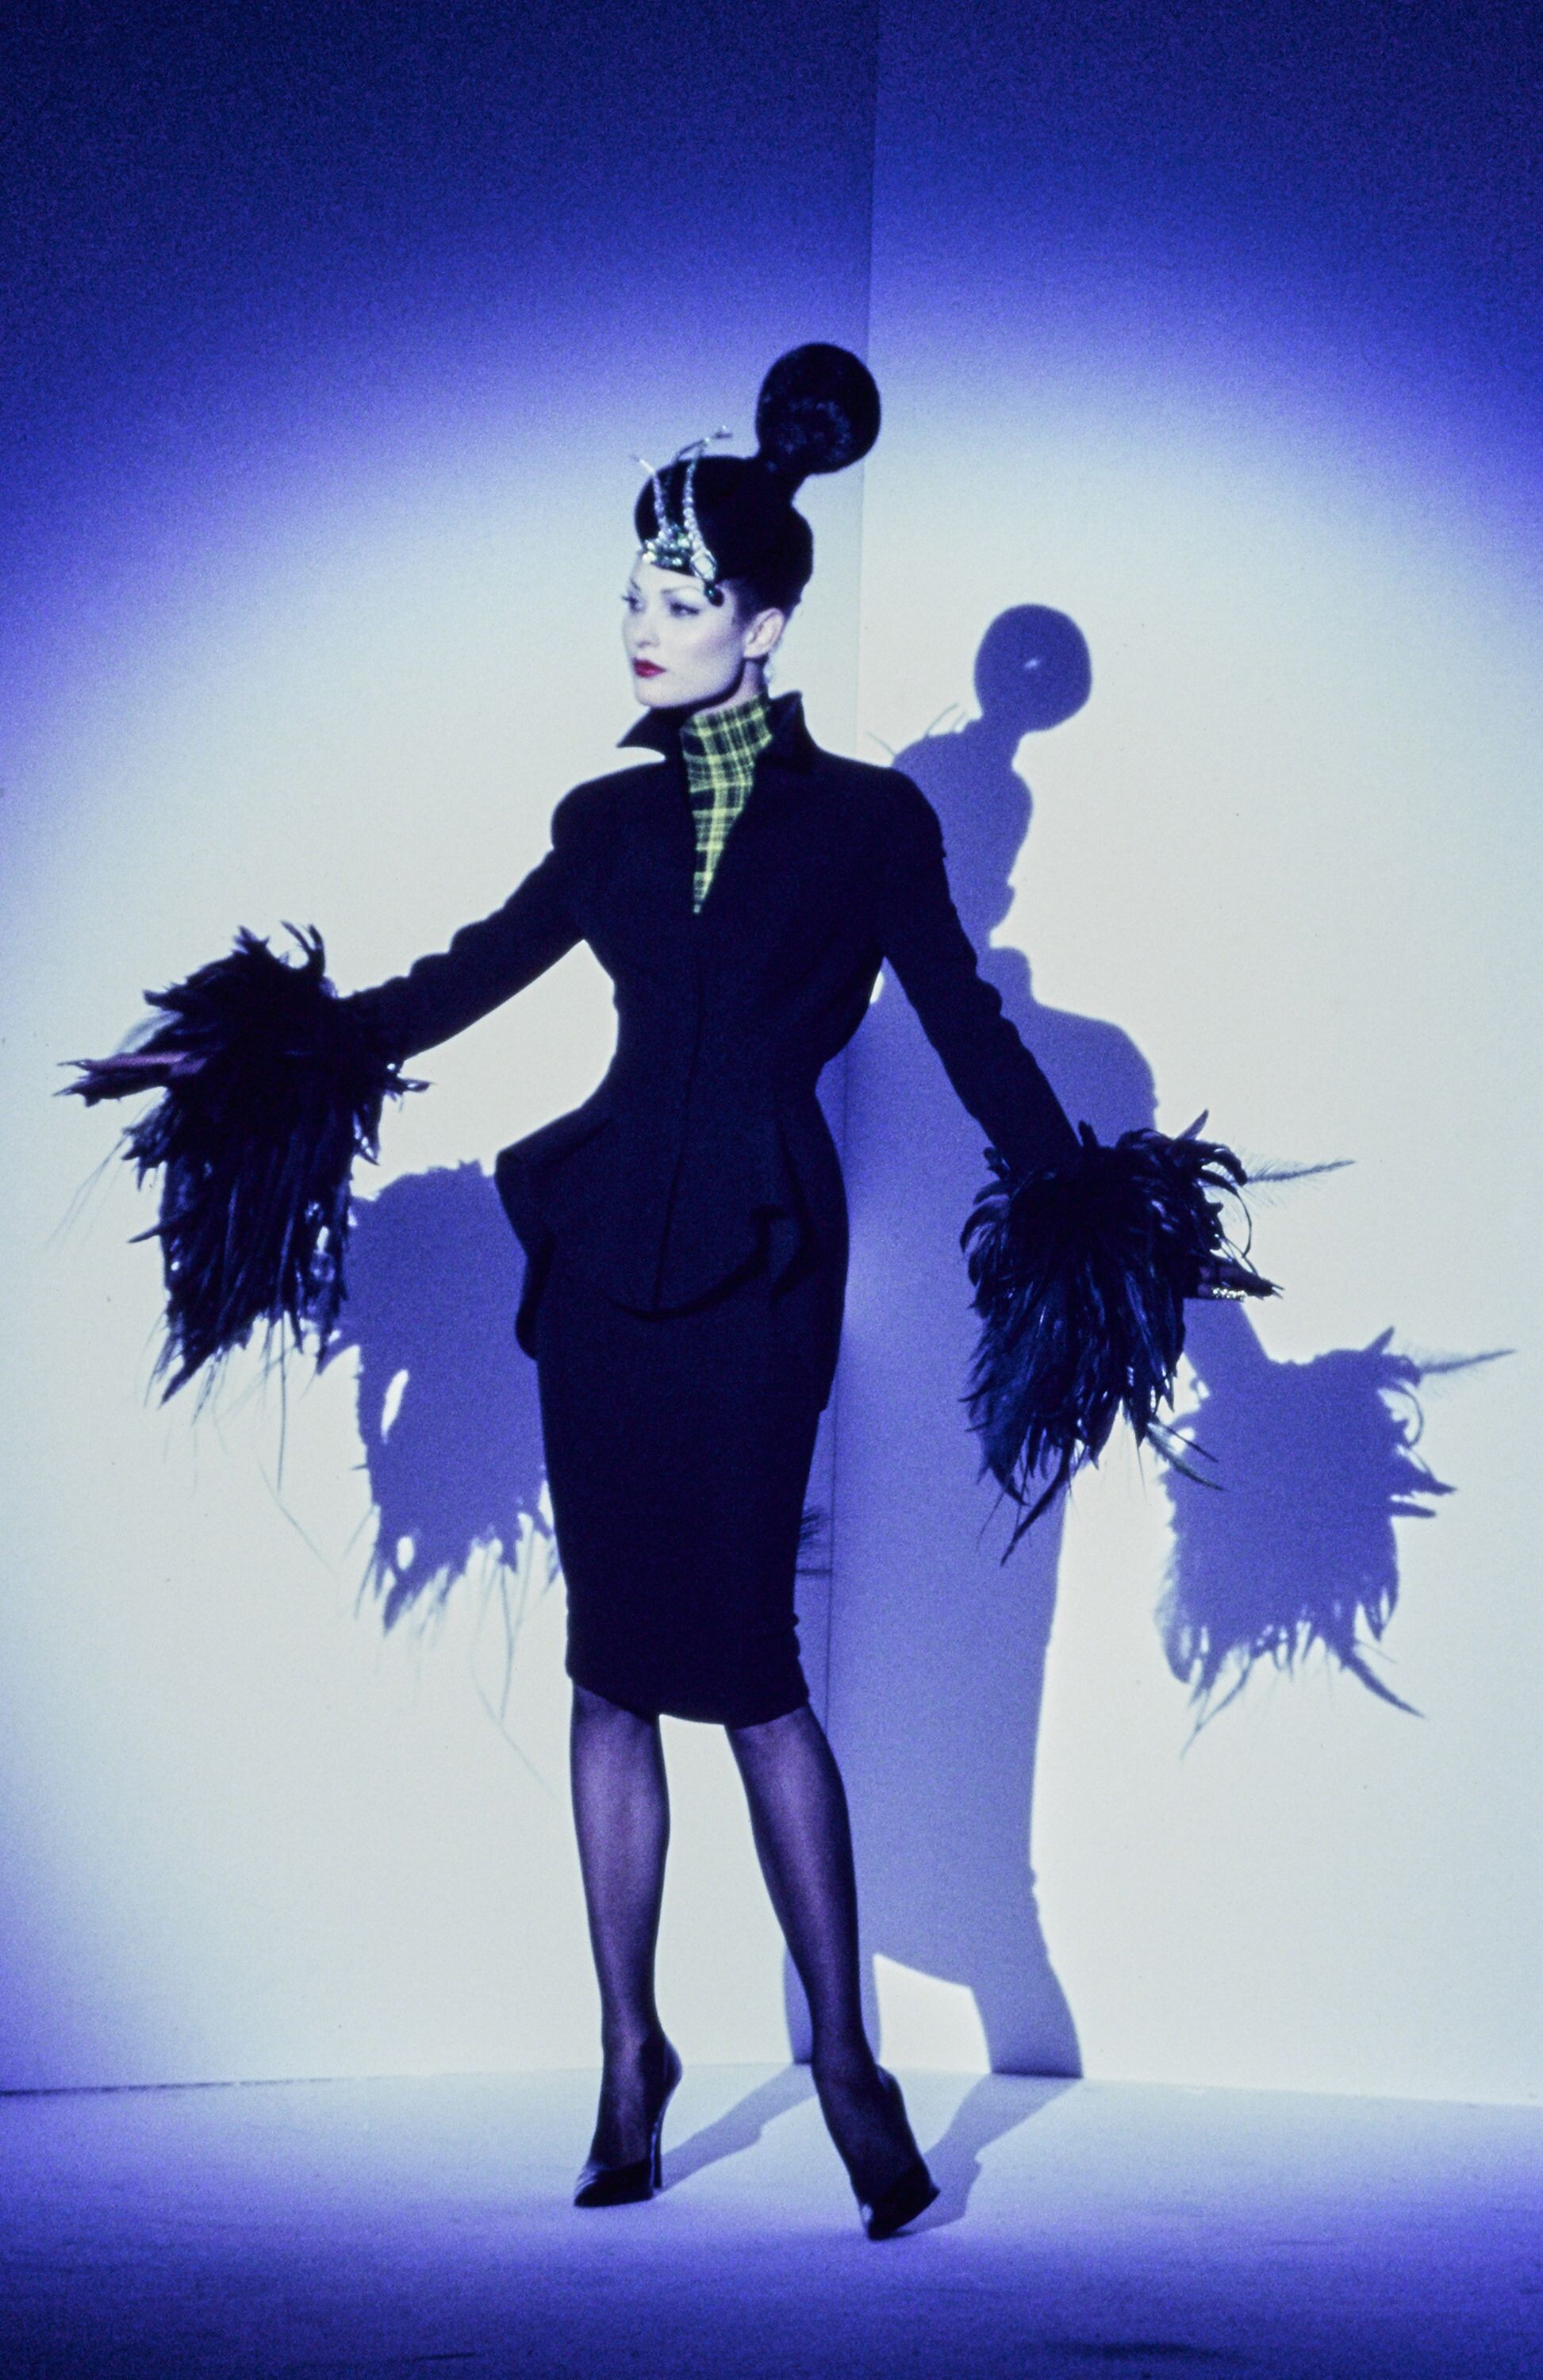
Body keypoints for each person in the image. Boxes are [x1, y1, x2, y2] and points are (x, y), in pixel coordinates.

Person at [70, 344, 1269, 2239]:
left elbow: (967, 1030)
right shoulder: (603, 824)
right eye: (633, 591)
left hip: (760, 1270)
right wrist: (247, 1053)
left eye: (683, 596)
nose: (644, 624)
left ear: (765, 625)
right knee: (612, 1661)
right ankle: (629, 2053)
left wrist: (1093, 1206)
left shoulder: (869, 826)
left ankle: (847, 2061)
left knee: (751, 1670)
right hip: (600, 1269)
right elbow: (450, 986)